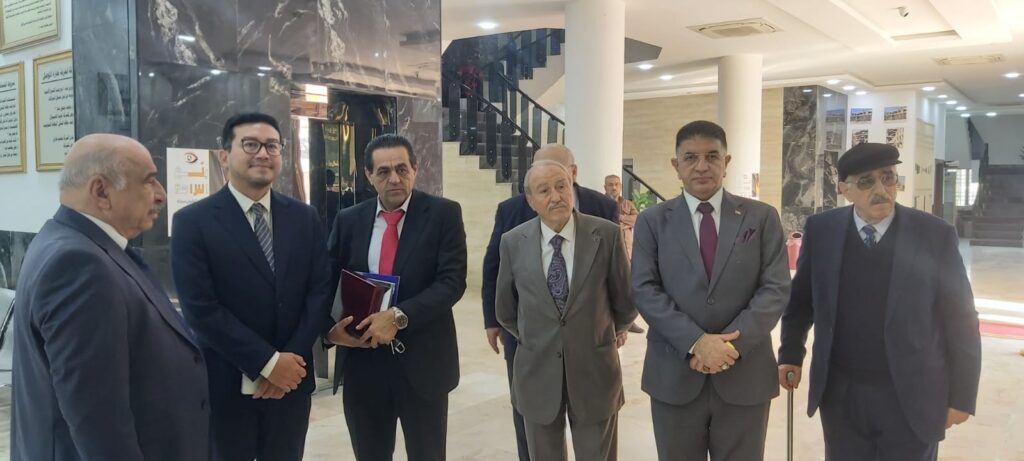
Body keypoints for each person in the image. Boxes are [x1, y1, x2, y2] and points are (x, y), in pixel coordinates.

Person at [778, 143, 981, 461]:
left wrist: (962, 395)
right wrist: (790, 353)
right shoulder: (822, 230)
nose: (881, 190)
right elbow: (801, 301)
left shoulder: (934, 235)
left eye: (888, 178)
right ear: (844, 189)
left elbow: (962, 319)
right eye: (866, 181)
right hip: (841, 394)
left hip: (911, 394)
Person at [12, 134, 209, 460]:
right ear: (101, 191)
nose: (161, 194)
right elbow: (99, 421)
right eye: (149, 181)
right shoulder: (79, 265)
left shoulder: (77, 242)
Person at [171, 113, 333, 461]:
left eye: (272, 146)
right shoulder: (193, 222)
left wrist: (288, 363)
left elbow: (319, 291)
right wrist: (267, 362)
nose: (263, 153)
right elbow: (201, 308)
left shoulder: (304, 217)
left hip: (292, 383)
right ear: (224, 155)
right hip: (227, 383)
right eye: (250, 144)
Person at [631, 120, 791, 460]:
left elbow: (775, 288)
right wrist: (696, 342)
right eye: (690, 157)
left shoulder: (761, 217)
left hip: (745, 375)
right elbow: (645, 289)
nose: (701, 166)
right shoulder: (652, 221)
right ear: (676, 165)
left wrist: (728, 347)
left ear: (726, 162)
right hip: (674, 374)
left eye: (712, 156)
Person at [326, 133, 467, 461]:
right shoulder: (349, 220)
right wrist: (329, 332)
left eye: (402, 169)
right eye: (384, 171)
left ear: (415, 169)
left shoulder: (443, 214)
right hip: (363, 365)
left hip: (423, 364)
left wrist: (399, 315)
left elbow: (451, 282)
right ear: (368, 175)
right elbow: (326, 281)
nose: (394, 178)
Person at [480, 144, 624, 461]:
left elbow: (624, 300)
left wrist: (602, 330)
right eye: (544, 190)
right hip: (537, 372)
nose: (556, 196)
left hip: (594, 371)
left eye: (561, 186)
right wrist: (538, 334)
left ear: (572, 184)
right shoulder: (513, 242)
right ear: (531, 201)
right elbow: (506, 308)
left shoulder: (606, 234)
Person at [604, 174, 639, 260]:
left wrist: (620, 217)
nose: (614, 188)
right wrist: (627, 224)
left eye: (616, 184)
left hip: (627, 248)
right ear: (605, 187)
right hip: (607, 247)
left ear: (621, 186)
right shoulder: (600, 203)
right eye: (610, 185)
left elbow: (637, 220)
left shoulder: (628, 204)